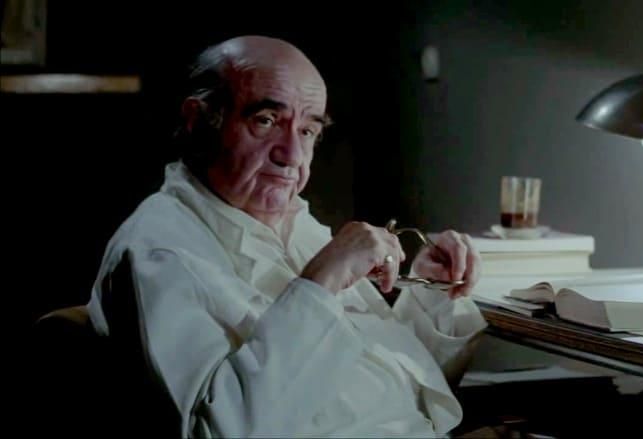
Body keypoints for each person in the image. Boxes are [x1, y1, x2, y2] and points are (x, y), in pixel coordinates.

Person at [86, 35, 487, 437]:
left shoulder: (295, 226)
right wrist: (320, 282)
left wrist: (431, 293)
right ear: (199, 121)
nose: (292, 155)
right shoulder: (158, 251)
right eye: (266, 121)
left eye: (308, 130)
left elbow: (400, 391)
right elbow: (217, 430)